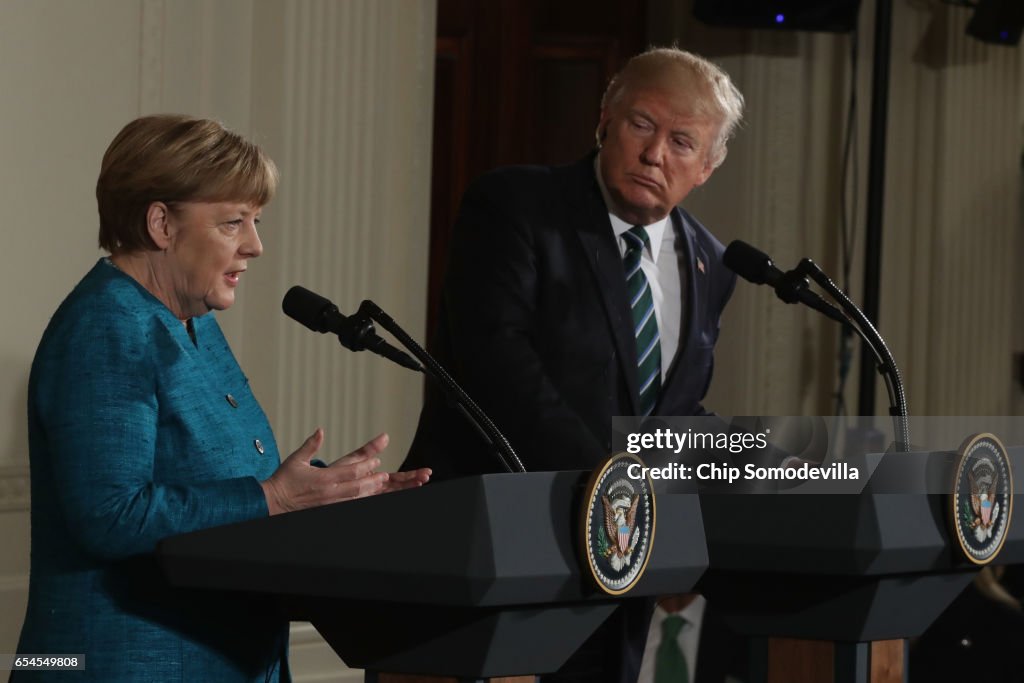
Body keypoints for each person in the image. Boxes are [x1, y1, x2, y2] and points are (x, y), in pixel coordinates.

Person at [11, 114, 431, 683]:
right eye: (233, 222)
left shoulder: (190, 322)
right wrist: (276, 499)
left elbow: (229, 481)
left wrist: (334, 492)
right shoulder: (108, 326)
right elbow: (109, 516)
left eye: (255, 221)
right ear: (161, 223)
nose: (256, 245)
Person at [402, 48, 743, 682]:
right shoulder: (517, 206)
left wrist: (757, 460)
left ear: (707, 167)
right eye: (642, 124)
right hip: (495, 550)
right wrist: (613, 486)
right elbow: (498, 365)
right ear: (604, 120)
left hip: (619, 566)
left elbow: (672, 411)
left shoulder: (713, 263)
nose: (654, 154)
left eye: (682, 141)